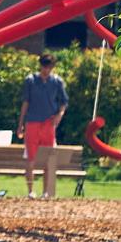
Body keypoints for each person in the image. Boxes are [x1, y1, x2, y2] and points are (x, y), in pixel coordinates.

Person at [17, 51, 69, 199]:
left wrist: (59, 115)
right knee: (30, 158)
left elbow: (63, 102)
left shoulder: (57, 82)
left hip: (48, 124)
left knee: (48, 158)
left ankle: (46, 192)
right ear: (40, 66)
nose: (46, 70)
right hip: (32, 122)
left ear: (52, 67)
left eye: (49, 67)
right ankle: (30, 191)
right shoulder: (30, 81)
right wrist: (21, 124)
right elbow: (25, 102)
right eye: (44, 66)